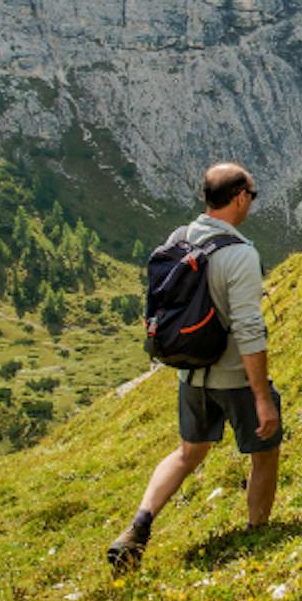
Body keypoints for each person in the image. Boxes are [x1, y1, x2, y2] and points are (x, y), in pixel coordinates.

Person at [107, 162, 281, 572]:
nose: (251, 203)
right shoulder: (239, 255)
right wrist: (262, 398)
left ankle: (138, 526)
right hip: (234, 377)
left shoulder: (180, 238)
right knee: (265, 451)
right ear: (239, 197)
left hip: (190, 373)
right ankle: (257, 532)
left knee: (188, 452)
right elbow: (248, 332)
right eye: (251, 196)